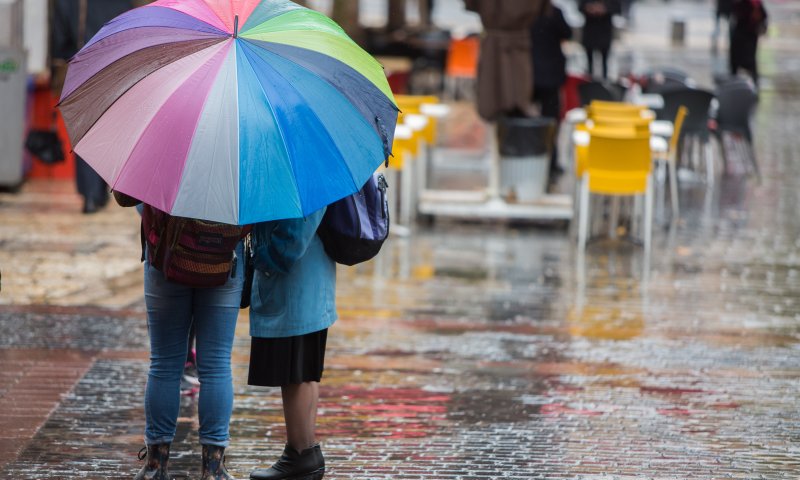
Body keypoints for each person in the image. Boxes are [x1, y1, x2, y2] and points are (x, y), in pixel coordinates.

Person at [114, 191, 243, 480]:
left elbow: (124, 197)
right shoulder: (242, 147)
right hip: (224, 256)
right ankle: (213, 468)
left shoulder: (159, 144)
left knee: (164, 364)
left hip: (164, 253)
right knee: (217, 365)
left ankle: (155, 466)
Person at [247, 208, 335, 480]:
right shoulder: (310, 165)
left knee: (296, 372)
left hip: (296, 280)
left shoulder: (305, 168)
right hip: (305, 279)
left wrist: (264, 256)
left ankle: (301, 453)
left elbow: (295, 232)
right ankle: (303, 450)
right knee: (303, 371)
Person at [52, 0, 135, 214]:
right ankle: (99, 189)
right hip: (116, 65)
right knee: (109, 128)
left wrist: (62, 58)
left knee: (86, 130)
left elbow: (61, 36)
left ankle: (90, 194)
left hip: (83, 66)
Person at [530, 0, 572, 176]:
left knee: (526, 118)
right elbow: (567, 33)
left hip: (529, 74)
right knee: (551, 121)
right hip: (550, 76)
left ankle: (531, 156)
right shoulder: (554, 12)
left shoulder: (526, 14)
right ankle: (551, 161)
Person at [729, 0, 768, 87]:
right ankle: (748, 81)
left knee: (746, 59)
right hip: (745, 34)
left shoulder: (752, 3)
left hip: (747, 35)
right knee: (740, 60)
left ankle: (752, 82)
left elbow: (762, 15)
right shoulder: (749, 3)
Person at [578, 0, 621, 79]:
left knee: (605, 63)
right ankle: (589, 83)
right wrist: (589, 8)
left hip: (604, 32)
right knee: (589, 63)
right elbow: (580, 6)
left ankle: (604, 84)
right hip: (590, 31)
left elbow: (617, 8)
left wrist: (605, 9)